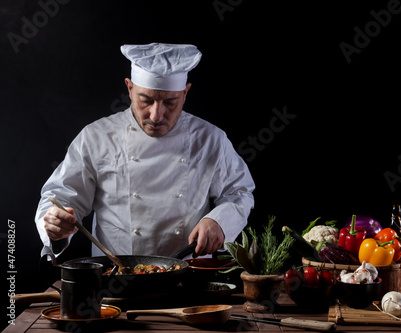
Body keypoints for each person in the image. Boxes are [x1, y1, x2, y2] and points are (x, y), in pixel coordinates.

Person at [35, 43, 255, 259]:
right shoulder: (96, 137)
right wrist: (56, 223)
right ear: (130, 89)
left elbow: (238, 192)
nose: (156, 115)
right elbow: (61, 196)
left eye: (170, 102)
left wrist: (219, 221)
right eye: (146, 100)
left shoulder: (210, 139)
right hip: (118, 279)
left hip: (190, 279)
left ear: (185, 93)